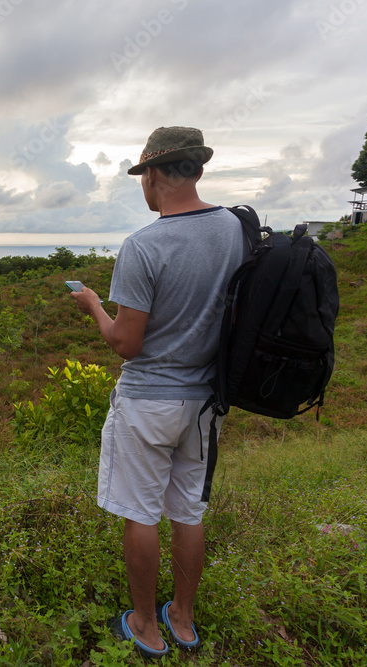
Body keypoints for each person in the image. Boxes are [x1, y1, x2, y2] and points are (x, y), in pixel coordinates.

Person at [70, 126, 246, 658]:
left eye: (142, 176)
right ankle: (184, 620)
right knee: (188, 512)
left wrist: (95, 306)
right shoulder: (237, 230)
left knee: (141, 514)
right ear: (196, 169)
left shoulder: (145, 246)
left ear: (152, 174)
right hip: (206, 400)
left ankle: (146, 625)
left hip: (148, 400)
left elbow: (126, 343)